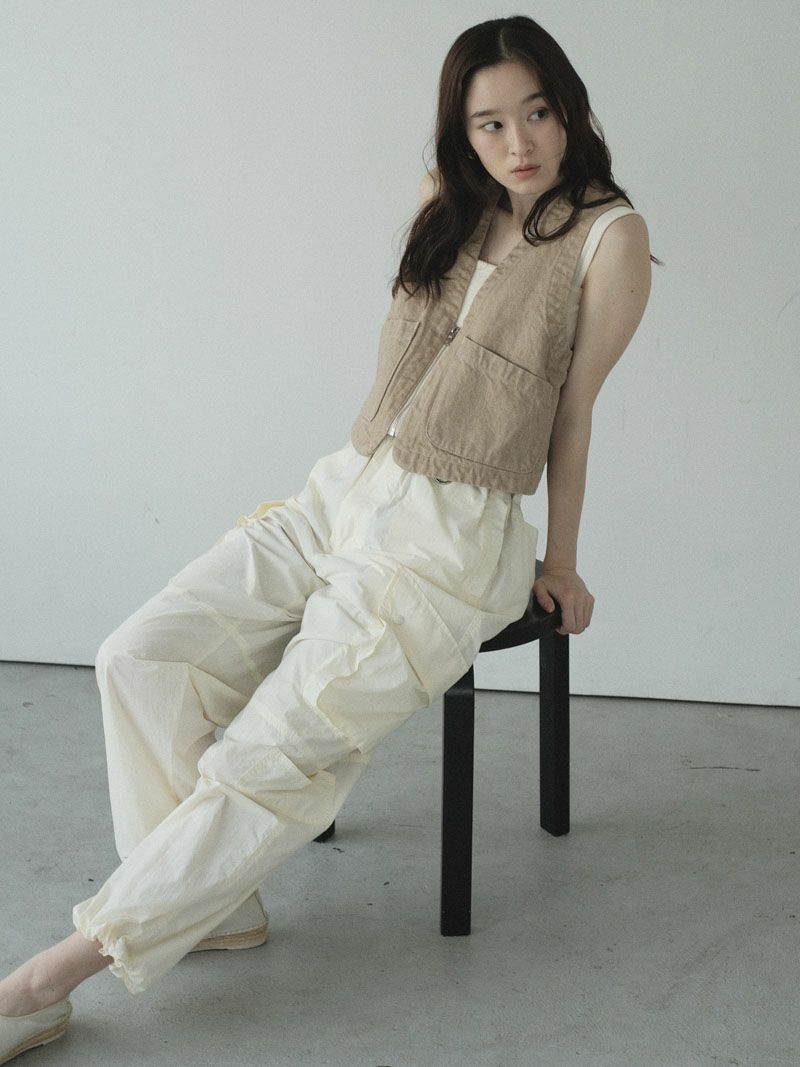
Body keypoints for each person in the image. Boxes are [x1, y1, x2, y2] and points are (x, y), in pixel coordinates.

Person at [0, 14, 656, 1063]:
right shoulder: (449, 201)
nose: (518, 142)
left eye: (537, 112)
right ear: (461, 131)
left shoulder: (607, 238)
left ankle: (45, 981)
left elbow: (573, 417)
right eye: (488, 123)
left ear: (569, 107)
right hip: (339, 493)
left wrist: (564, 562)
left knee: (269, 757)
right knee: (140, 656)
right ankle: (212, 904)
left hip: (444, 546)